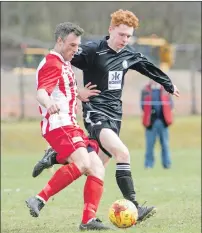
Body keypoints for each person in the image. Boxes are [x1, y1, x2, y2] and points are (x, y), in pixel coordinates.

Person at [32, 9, 180, 222]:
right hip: (96, 114)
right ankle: (135, 208)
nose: (124, 40)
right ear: (110, 30)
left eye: (129, 36)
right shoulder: (92, 51)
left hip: (115, 117)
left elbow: (149, 68)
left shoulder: (130, 55)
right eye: (121, 34)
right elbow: (64, 59)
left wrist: (167, 84)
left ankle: (57, 160)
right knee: (123, 153)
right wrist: (72, 94)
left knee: (95, 169)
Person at [25, 22, 111, 231]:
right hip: (58, 124)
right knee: (82, 162)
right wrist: (48, 103)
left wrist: (78, 94)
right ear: (59, 41)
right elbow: (42, 91)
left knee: (97, 167)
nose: (75, 50)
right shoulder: (52, 63)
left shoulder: (64, 63)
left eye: (77, 46)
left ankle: (88, 220)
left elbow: (61, 89)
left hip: (70, 124)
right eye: (72, 45)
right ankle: (39, 198)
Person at [141, 80, 174, 169]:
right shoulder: (145, 90)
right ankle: (148, 164)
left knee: (165, 144)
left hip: (163, 122)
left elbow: (171, 104)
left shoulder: (165, 90)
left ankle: (167, 164)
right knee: (150, 145)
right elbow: (143, 105)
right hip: (151, 122)